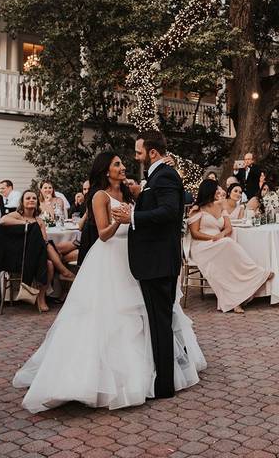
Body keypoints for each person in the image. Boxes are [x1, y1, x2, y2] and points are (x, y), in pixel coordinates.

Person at [14, 150, 205, 411]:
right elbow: (103, 234)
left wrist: (145, 191)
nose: (123, 167)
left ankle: (152, 372)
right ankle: (101, 379)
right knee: (110, 316)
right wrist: (119, 221)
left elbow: (154, 205)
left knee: (143, 315)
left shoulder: (128, 193)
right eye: (117, 164)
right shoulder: (99, 196)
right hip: (110, 256)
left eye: (122, 162)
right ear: (106, 170)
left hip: (135, 257)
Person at [113, 130, 191, 399]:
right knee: (160, 322)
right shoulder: (158, 176)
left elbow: (170, 212)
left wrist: (133, 216)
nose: (137, 157)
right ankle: (165, 380)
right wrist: (140, 193)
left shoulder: (165, 175)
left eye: (139, 152)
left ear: (152, 153)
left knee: (160, 324)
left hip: (157, 262)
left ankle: (164, 385)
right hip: (155, 261)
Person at [187, 180, 272, 313]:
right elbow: (195, 233)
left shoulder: (221, 206)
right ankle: (249, 281)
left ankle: (243, 289)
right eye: (217, 190)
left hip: (219, 242)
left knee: (226, 254)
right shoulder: (197, 209)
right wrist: (213, 238)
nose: (220, 192)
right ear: (209, 191)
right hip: (202, 245)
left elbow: (228, 228)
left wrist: (221, 235)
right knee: (228, 244)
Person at [0, 190, 52, 311]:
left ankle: (41, 298)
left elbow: (43, 241)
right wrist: (26, 224)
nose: (31, 200)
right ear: (22, 202)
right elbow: (3, 221)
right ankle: (65, 272)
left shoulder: (40, 221)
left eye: (34, 198)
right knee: (51, 253)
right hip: (19, 256)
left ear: (37, 202)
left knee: (50, 264)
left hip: (37, 254)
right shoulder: (17, 215)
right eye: (28, 198)